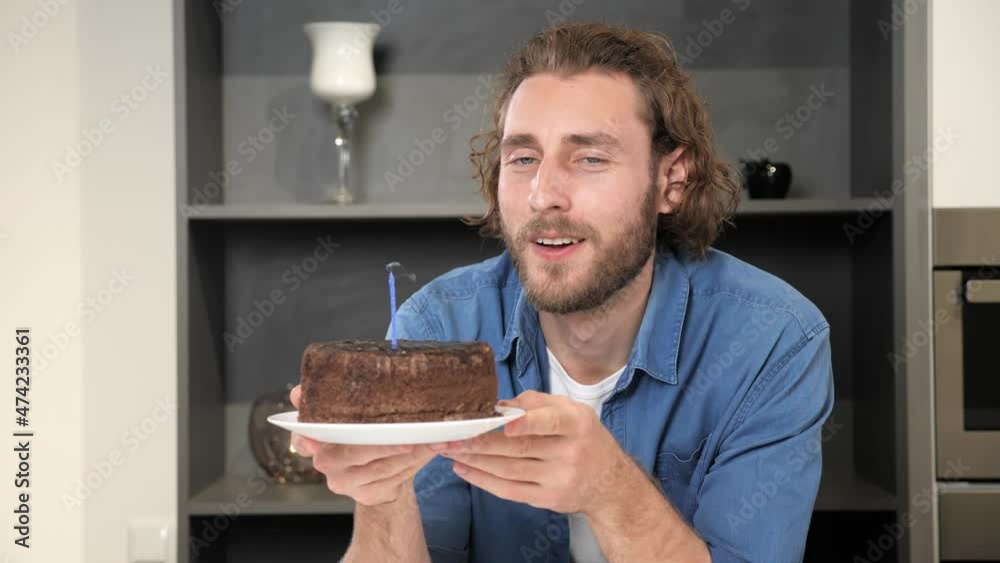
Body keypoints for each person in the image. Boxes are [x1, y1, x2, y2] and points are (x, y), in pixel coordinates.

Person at [290, 21, 833, 563]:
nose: (543, 194)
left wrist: (610, 489)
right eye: (523, 158)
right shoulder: (436, 329)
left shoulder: (773, 342)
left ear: (672, 180)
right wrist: (382, 494)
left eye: (590, 158)